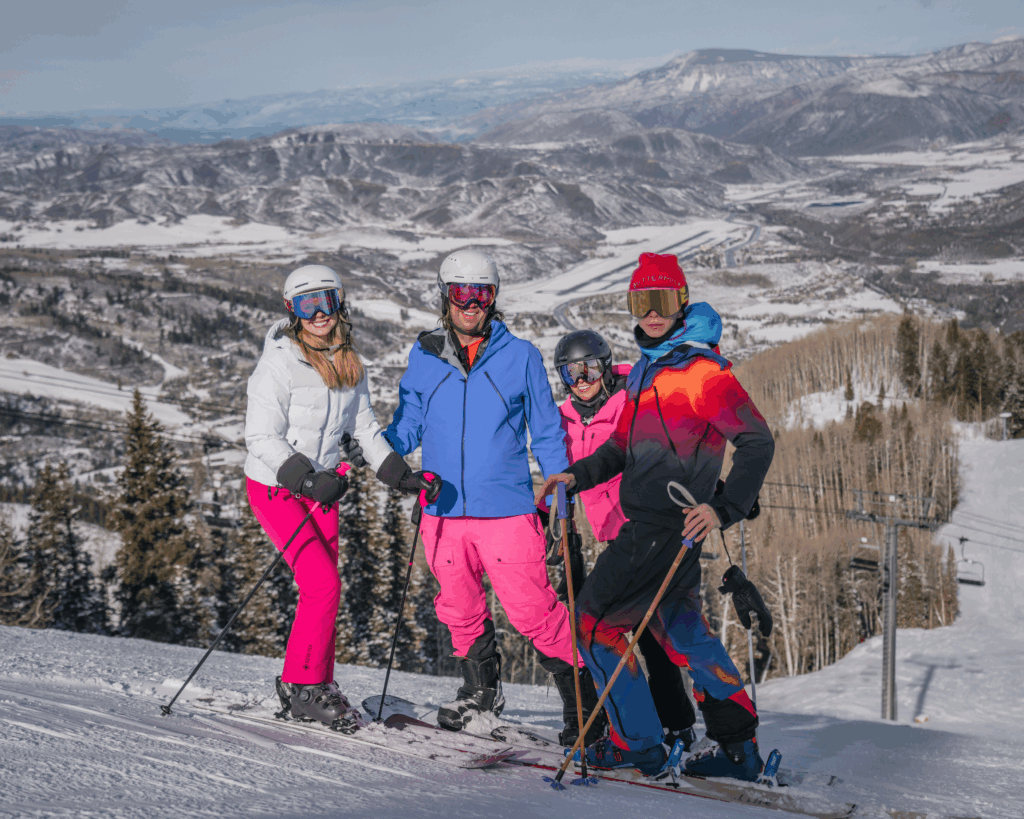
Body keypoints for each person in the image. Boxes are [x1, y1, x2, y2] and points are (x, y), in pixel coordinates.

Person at [537, 252, 775, 780]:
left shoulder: (699, 371)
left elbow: (757, 441)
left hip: (659, 529)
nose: (651, 313)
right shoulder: (649, 368)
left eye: (662, 301)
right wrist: (577, 475)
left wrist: (724, 507)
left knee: (593, 625)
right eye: (641, 301)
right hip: (661, 532)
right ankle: (739, 748)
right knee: (685, 634)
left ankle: (638, 745)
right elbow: (622, 447)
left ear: (682, 301)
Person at [381, 248, 602, 745]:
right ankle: (481, 694)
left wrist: (559, 499)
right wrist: (378, 454)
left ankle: (585, 707)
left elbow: (546, 433)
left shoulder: (519, 355)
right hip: (441, 509)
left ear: (494, 297)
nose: (472, 302)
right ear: (445, 296)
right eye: (462, 292)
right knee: (457, 607)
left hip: (506, 509)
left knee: (534, 612)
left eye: (482, 292)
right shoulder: (424, 357)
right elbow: (408, 425)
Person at [245, 264, 437, 727]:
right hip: (277, 488)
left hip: (322, 489)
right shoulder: (278, 363)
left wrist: (398, 474)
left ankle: (315, 679)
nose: (318, 313)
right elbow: (261, 438)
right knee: (321, 584)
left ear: (340, 303)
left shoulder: (351, 362)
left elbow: (365, 428)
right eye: (307, 304)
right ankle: (304, 688)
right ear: (292, 311)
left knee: (326, 585)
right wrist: (306, 480)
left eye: (326, 301)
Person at [551, 319, 721, 754]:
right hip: (614, 538)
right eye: (573, 373)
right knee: (636, 633)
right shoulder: (562, 420)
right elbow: (559, 475)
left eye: (590, 368)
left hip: (653, 529)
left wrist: (715, 490)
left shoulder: (633, 399)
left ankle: (671, 728)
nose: (584, 380)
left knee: (656, 632)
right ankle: (663, 726)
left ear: (606, 367)